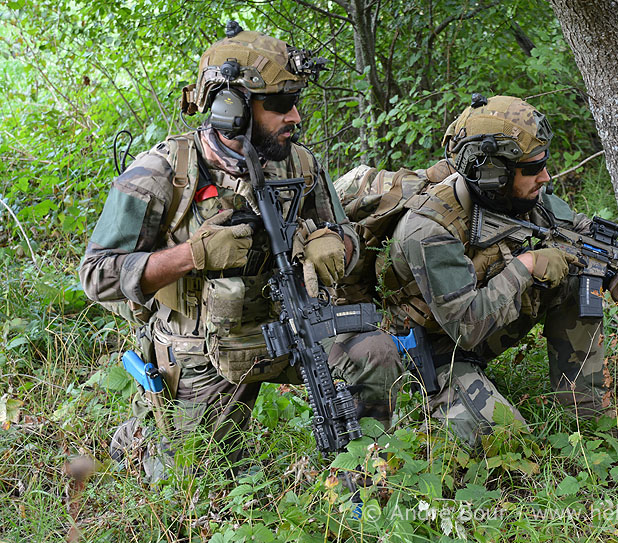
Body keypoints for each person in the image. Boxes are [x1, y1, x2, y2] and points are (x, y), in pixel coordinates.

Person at [79, 22, 402, 481]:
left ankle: (363, 479)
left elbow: (345, 235)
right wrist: (191, 255)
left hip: (294, 326)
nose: (295, 118)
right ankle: (141, 436)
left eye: (296, 103)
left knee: (374, 350)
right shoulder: (163, 172)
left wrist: (336, 244)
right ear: (230, 108)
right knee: (201, 483)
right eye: (280, 105)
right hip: (204, 349)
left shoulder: (299, 162)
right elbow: (94, 275)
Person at [370, 94, 618, 445]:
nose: (545, 177)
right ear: (494, 174)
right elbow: (465, 330)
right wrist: (527, 265)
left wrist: (617, 278)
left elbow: (577, 235)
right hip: (434, 347)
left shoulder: (513, 199)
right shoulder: (430, 230)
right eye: (533, 169)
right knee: (506, 441)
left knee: (578, 272)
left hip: (482, 322)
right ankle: (438, 397)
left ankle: (586, 410)